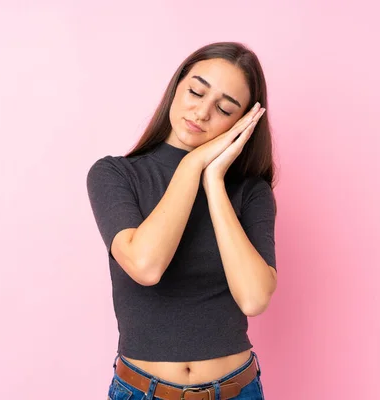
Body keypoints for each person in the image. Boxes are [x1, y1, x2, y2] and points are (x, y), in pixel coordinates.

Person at [87, 41, 277, 400]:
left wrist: (215, 180)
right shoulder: (115, 175)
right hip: (142, 391)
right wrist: (192, 163)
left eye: (223, 108)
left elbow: (253, 298)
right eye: (195, 91)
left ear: (243, 122)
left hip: (237, 389)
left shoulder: (251, 192)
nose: (202, 112)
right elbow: (146, 265)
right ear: (176, 86)